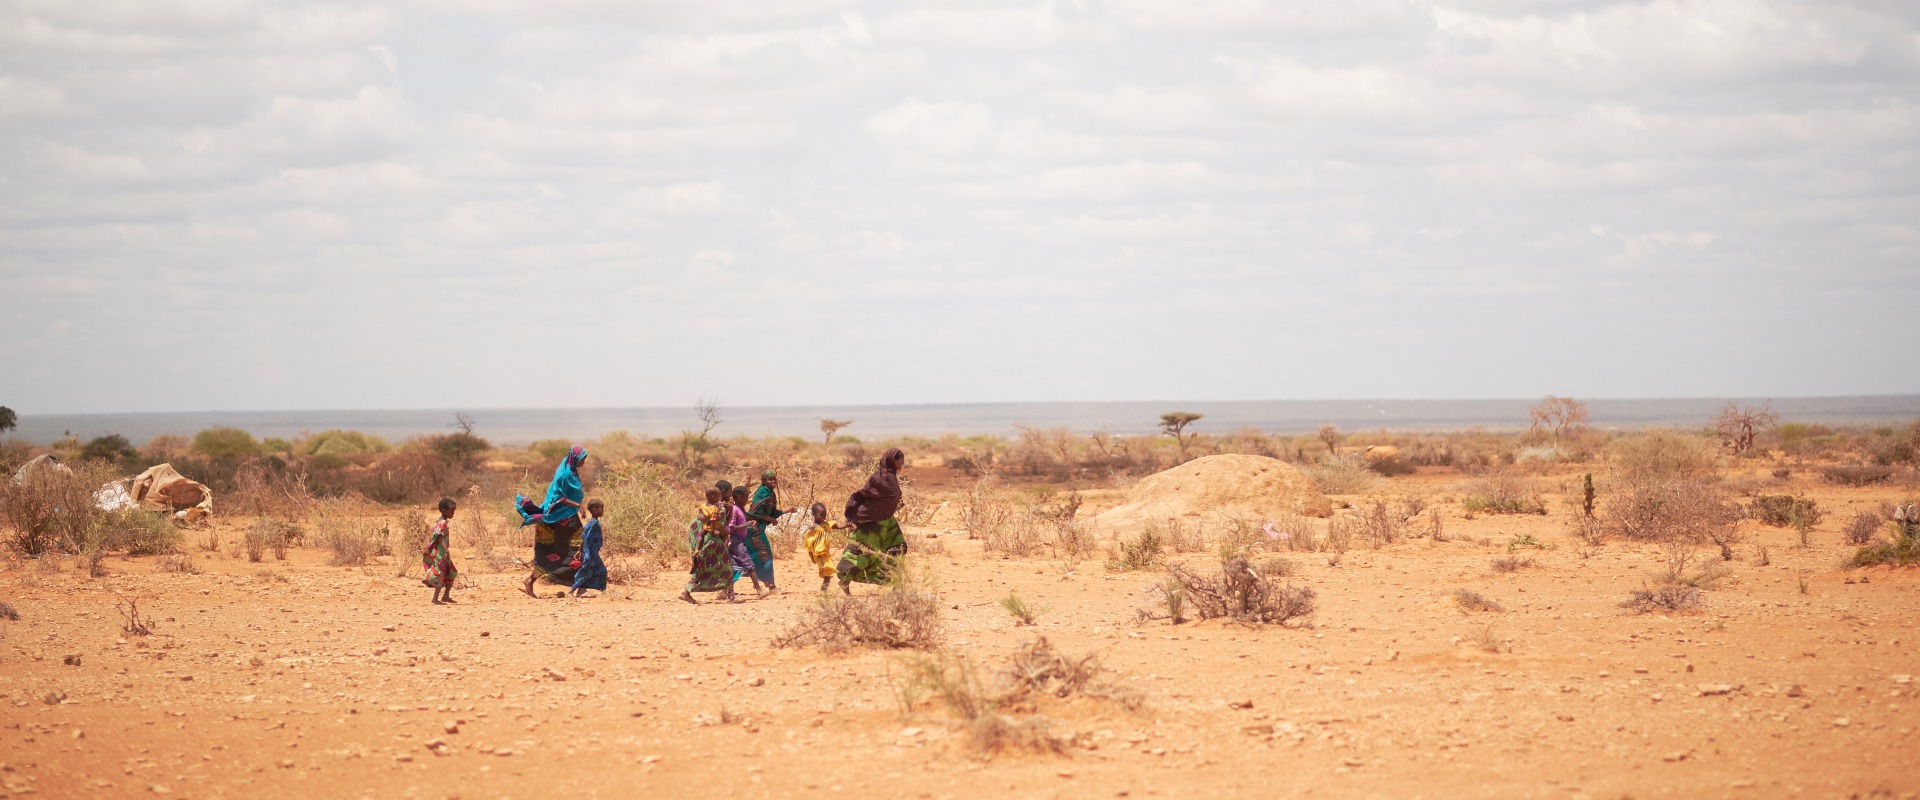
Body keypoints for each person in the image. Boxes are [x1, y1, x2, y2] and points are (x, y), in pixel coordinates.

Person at [837, 447, 908, 593]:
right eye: (900, 460)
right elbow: (864, 494)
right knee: (865, 552)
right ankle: (845, 579)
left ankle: (895, 583)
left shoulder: (891, 476)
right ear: (892, 460)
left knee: (898, 547)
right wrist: (855, 514)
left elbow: (892, 497)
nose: (903, 463)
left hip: (888, 521)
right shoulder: (878, 478)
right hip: (873, 521)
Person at [519, 445, 588, 597]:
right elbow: (558, 497)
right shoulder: (564, 474)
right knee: (559, 551)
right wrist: (578, 505)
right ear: (575, 458)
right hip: (557, 518)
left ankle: (580, 587)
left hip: (567, 516)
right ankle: (531, 580)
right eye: (583, 459)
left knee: (577, 550)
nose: (584, 462)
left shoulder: (572, 471)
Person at [681, 488, 734, 604]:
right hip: (714, 541)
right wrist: (725, 533)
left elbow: (700, 520)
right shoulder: (718, 509)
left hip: (703, 540)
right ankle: (730, 595)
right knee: (728, 566)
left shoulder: (703, 507)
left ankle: (687, 592)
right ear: (715, 496)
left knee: (702, 568)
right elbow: (719, 525)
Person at [744, 470, 793, 592]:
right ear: (764, 482)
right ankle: (770, 585)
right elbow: (756, 513)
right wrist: (770, 519)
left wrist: (787, 510)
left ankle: (727, 587)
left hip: (757, 529)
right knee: (766, 555)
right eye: (770, 479)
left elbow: (771, 511)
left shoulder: (770, 493)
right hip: (754, 529)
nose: (773, 481)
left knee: (747, 557)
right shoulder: (762, 492)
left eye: (774, 479)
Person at [728, 485, 766, 597]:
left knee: (732, 566)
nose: (747, 500)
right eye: (746, 497)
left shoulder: (740, 508)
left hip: (738, 540)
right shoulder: (734, 509)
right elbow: (732, 527)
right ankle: (759, 590)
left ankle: (726, 591)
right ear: (739, 497)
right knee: (749, 565)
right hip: (736, 541)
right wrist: (747, 524)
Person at [422, 497, 459, 605]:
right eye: (451, 511)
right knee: (440, 574)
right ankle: (435, 598)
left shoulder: (441, 521)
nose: (453, 513)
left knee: (452, 572)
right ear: (444, 511)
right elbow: (439, 537)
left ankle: (446, 596)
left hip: (442, 553)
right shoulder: (442, 523)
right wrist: (446, 550)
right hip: (440, 554)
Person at [570, 499, 607, 597]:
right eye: (601, 508)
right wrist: (585, 551)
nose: (603, 510)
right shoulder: (593, 523)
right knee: (586, 572)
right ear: (594, 510)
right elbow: (586, 537)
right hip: (590, 553)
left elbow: (583, 536)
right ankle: (571, 591)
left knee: (602, 571)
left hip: (593, 553)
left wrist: (579, 550)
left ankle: (584, 591)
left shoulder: (592, 522)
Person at [802, 502, 838, 592]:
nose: (823, 517)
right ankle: (823, 591)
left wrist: (847, 525)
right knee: (828, 570)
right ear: (814, 514)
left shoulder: (825, 524)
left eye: (825, 515)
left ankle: (824, 590)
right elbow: (809, 543)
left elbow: (835, 525)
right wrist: (811, 556)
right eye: (821, 515)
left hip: (826, 553)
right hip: (819, 554)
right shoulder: (812, 528)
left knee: (828, 573)